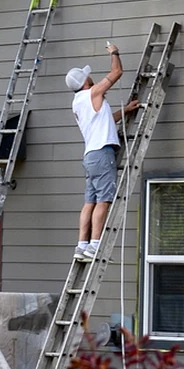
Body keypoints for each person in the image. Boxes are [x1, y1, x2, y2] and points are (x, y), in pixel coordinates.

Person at [65, 43, 138, 260]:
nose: (91, 78)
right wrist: (115, 52)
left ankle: (81, 245)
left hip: (90, 156)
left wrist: (124, 111)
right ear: (85, 82)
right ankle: (95, 245)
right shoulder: (92, 93)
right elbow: (117, 73)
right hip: (102, 153)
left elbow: (104, 120)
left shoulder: (77, 103)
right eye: (88, 77)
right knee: (104, 201)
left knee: (90, 201)